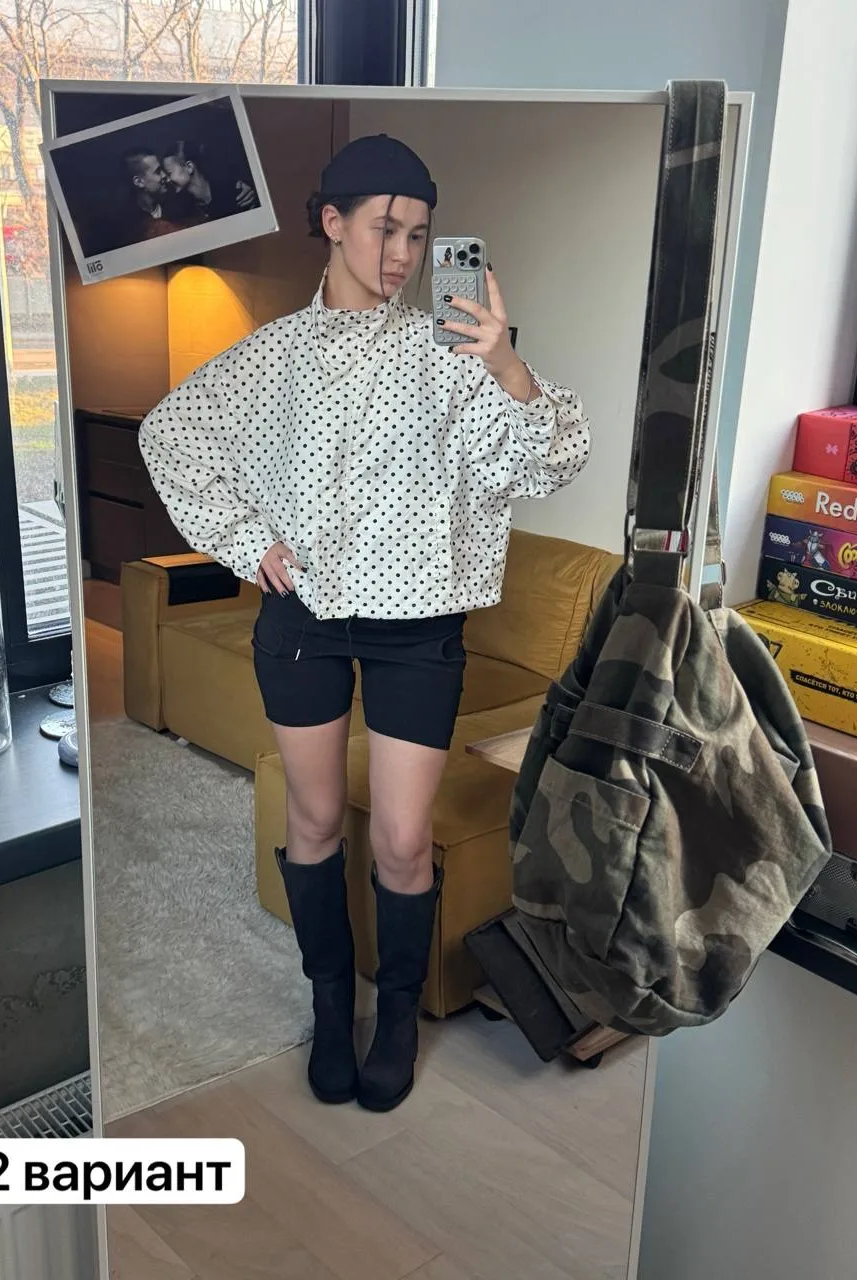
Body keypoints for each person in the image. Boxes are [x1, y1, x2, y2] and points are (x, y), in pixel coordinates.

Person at [138, 133, 591, 1114]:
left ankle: (394, 1016)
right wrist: (244, 539)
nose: (402, 254)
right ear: (332, 221)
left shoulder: (450, 355)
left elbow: (552, 459)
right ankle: (327, 997)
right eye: (385, 228)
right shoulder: (271, 357)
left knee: (400, 839)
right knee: (311, 821)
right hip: (303, 621)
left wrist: (506, 361)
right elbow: (169, 436)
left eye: (419, 235)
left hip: (418, 632)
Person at [162, 140, 258, 223]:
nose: (168, 179)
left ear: (189, 167)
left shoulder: (234, 191)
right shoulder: (183, 212)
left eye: (169, 173)